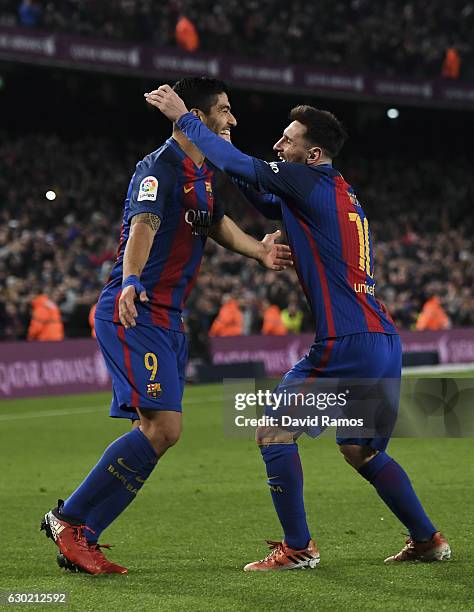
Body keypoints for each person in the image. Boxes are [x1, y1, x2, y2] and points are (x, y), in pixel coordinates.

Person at [146, 85, 451, 570]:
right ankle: (428, 539)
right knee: (359, 450)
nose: (277, 147)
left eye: (286, 141)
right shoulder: (336, 189)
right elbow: (261, 193)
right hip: (381, 340)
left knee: (271, 432)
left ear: (312, 153)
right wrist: (216, 160)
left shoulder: (307, 183)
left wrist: (187, 122)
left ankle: (298, 548)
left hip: (345, 342)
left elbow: (244, 167)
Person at [40, 77, 292, 575]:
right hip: (138, 308)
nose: (232, 120)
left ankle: (83, 534)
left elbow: (215, 222)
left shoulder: (202, 172)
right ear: (196, 115)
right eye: (223, 110)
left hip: (169, 318)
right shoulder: (159, 167)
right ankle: (69, 520)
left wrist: (258, 249)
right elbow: (143, 225)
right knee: (164, 427)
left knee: (156, 431)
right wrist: (131, 280)